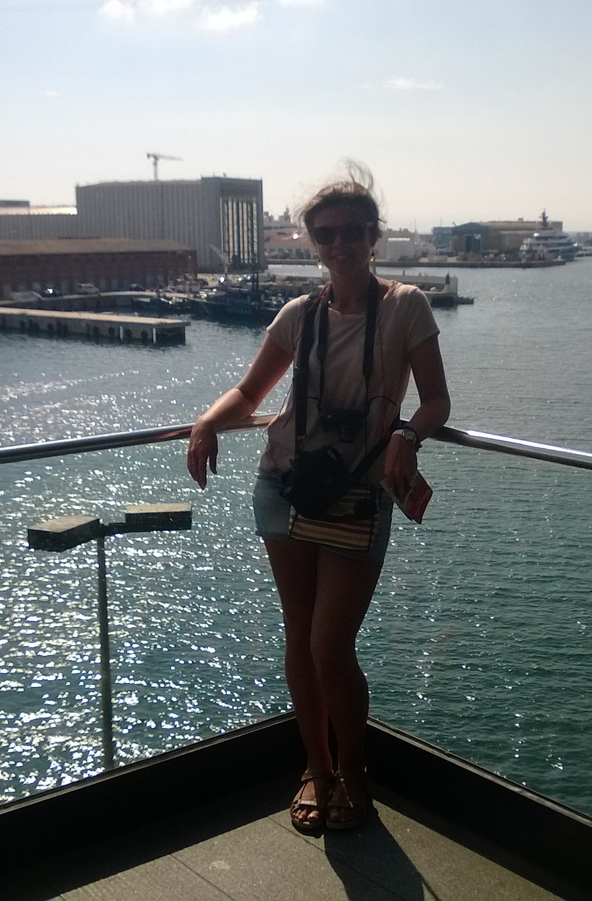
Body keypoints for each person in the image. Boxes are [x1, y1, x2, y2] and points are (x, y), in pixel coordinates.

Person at [186, 166, 450, 833]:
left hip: (359, 492)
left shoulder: (407, 307)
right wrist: (206, 422)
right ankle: (317, 768)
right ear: (312, 242)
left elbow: (436, 400)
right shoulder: (298, 314)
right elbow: (250, 395)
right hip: (285, 484)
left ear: (373, 235)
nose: (339, 245)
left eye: (352, 232)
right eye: (325, 235)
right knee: (300, 640)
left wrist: (406, 435)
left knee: (330, 645)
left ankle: (353, 770)